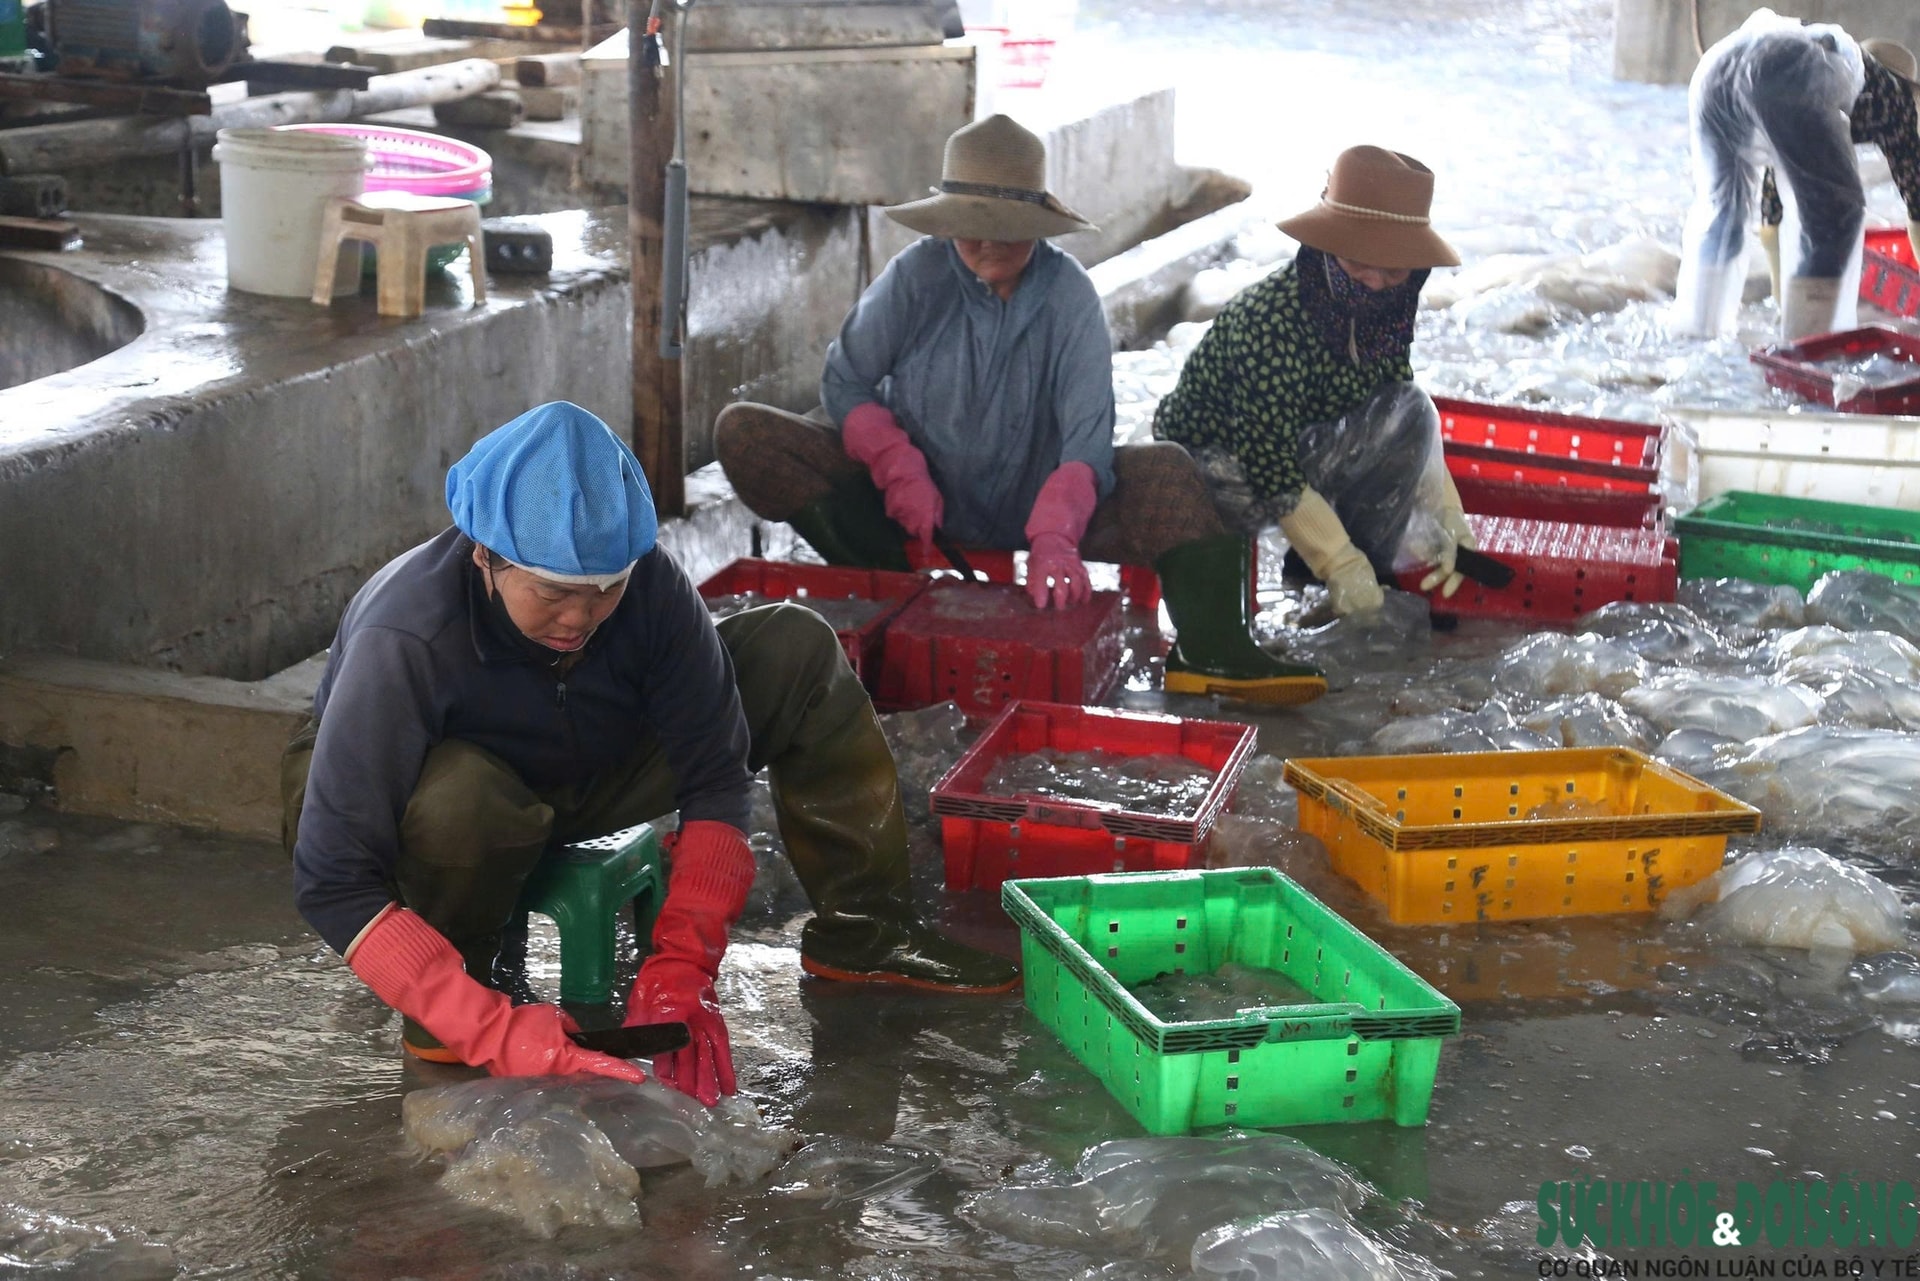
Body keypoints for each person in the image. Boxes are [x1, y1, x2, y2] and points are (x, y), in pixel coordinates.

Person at [283, 401, 1017, 1106]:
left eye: (604, 590)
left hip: (586, 762)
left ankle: (867, 932)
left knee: (796, 649)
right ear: (487, 557)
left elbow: (715, 775)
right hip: (440, 799)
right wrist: (491, 1027)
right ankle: (458, 993)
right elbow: (333, 877)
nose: (579, 616)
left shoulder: (647, 586)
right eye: (552, 592)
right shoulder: (405, 635)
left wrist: (682, 965)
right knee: (456, 800)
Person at [715, 114, 1326, 704]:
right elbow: (845, 380)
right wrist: (896, 463)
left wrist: (1057, 532)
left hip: (1040, 505)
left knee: (1167, 468)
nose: (982, 242)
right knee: (744, 432)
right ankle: (889, 581)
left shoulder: (1068, 296)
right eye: (966, 224)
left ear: (1037, 225)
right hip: (913, 508)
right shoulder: (916, 275)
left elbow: (1088, 434)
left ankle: (1212, 653)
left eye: (1002, 225)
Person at [1151, 145, 1472, 624]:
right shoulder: (1272, 319)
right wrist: (1338, 560)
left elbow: (1399, 409)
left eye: (1394, 268)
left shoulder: (1384, 314)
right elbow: (1267, 459)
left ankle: (1346, 580)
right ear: (1327, 244)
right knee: (1319, 523)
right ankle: (1333, 571)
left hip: (1307, 443)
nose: (1376, 282)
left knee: (1412, 408)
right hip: (1210, 464)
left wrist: (1446, 514)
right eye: (1359, 261)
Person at [1674, 10, 1920, 341]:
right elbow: (1915, 190)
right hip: (1778, 73)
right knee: (1836, 217)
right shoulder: (1892, 95)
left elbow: (1773, 200)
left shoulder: (1835, 67)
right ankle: (1806, 350)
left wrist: (1781, 291)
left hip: (1716, 70)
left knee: (1723, 210)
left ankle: (1696, 331)